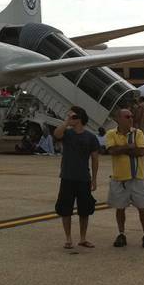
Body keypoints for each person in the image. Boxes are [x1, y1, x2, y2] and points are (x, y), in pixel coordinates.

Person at [52, 106, 99, 249]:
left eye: (72, 116)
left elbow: (95, 159)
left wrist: (94, 179)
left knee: (84, 210)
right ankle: (68, 238)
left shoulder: (91, 137)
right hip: (67, 177)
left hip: (83, 177)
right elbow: (57, 134)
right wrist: (66, 122)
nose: (70, 118)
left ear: (79, 118)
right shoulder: (67, 133)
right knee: (65, 209)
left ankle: (83, 238)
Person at [105, 108, 144, 248]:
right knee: (120, 208)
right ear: (118, 119)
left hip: (137, 177)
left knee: (143, 208)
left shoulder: (138, 133)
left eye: (131, 116)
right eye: (127, 116)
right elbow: (111, 151)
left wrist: (122, 149)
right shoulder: (111, 133)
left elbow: (141, 151)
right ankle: (121, 233)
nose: (131, 118)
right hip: (119, 178)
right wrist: (129, 147)